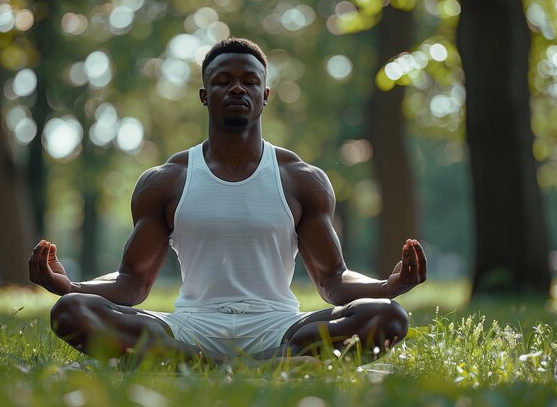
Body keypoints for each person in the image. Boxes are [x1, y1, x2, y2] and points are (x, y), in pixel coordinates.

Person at [29, 38, 427, 365]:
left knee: (387, 315)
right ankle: (223, 365)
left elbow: (334, 280)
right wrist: (70, 285)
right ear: (205, 95)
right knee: (71, 310)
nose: (238, 88)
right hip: (191, 327)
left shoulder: (301, 179)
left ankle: (200, 365)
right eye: (223, 81)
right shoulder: (166, 181)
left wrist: (388, 285)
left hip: (278, 325)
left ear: (265, 94)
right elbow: (132, 284)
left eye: (249, 82)